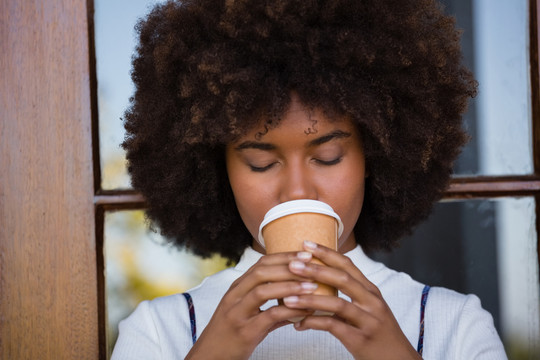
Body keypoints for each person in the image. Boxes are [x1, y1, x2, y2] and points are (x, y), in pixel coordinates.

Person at [112, 0, 507, 358]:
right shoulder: (162, 330)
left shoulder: (453, 325)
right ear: (219, 171)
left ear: (373, 156)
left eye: (328, 157)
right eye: (260, 163)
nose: (297, 191)